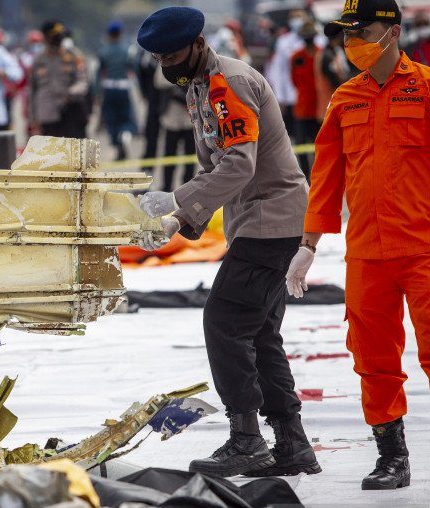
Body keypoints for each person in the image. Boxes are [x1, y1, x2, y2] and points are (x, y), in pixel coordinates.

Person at [136, 6, 318, 478]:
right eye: (159, 58)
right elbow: (220, 166)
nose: (166, 64)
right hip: (261, 220)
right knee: (259, 333)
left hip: (271, 221)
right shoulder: (201, 85)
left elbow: (239, 165)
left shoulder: (228, 83)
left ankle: (247, 439)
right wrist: (183, 212)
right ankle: (292, 443)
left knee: (224, 322)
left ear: (198, 43)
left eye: (173, 53)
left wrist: (179, 209)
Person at [287, 0, 428, 490]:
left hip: (424, 247)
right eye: (345, 35)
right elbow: (325, 175)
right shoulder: (345, 98)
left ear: (391, 32)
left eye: (360, 32)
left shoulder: (427, 88)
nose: (351, 44)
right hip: (367, 251)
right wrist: (308, 244)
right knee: (372, 357)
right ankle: (392, 456)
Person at [27, 21, 89, 138]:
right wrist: (33, 118)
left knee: (73, 150)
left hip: (70, 110)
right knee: (52, 152)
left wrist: (71, 92)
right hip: (47, 113)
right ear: (45, 37)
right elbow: (32, 90)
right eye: (53, 36)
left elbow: (82, 81)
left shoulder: (73, 56)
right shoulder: (38, 60)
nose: (57, 39)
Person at [265, 11, 309, 136]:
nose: (297, 21)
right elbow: (278, 70)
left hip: (310, 92)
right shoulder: (283, 41)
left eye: (299, 17)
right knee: (296, 132)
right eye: (294, 18)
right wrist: (280, 96)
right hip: (291, 93)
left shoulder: (317, 39)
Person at [97, 21, 137, 160]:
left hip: (108, 87)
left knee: (111, 118)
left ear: (109, 35)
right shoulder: (128, 50)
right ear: (120, 34)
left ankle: (116, 141)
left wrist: (97, 93)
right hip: (123, 87)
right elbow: (134, 70)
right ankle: (125, 134)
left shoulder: (103, 51)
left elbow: (99, 73)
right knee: (125, 115)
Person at [156, 68, 195, 191]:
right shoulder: (167, 61)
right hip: (172, 118)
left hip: (190, 119)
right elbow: (158, 81)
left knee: (190, 157)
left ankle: (188, 189)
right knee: (169, 155)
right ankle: (167, 187)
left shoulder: (192, 62)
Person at [290, 23, 321, 181]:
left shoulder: (321, 54)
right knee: (302, 147)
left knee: (320, 148)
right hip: (302, 108)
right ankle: (306, 179)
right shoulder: (297, 57)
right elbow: (294, 80)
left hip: (319, 109)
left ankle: (319, 177)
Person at [315, 32, 352, 121]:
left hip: (334, 98)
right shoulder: (327, 55)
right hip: (329, 97)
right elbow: (334, 80)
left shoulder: (336, 51)